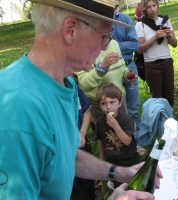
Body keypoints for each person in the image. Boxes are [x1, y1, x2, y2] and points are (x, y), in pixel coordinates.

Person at [0, 0, 162, 199]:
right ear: (71, 30)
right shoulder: (18, 107)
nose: (106, 44)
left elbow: (66, 155)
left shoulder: (65, 81)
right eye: (105, 36)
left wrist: (120, 172)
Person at [77, 39, 135, 133]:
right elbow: (84, 85)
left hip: (119, 99)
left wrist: (126, 74)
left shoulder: (113, 43)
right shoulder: (82, 48)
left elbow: (122, 66)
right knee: (108, 138)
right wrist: (102, 67)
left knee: (125, 131)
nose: (110, 32)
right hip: (101, 103)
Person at [95, 83, 140, 188]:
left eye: (112, 102)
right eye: (103, 103)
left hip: (129, 161)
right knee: (119, 188)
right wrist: (102, 159)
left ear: (120, 103)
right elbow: (100, 140)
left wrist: (115, 126)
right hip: (113, 162)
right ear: (99, 106)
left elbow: (127, 141)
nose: (108, 107)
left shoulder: (125, 119)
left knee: (134, 186)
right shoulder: (99, 122)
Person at [135, 0, 177, 107]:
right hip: (152, 65)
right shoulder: (141, 25)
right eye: (149, 7)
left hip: (167, 62)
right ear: (144, 9)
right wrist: (155, 37)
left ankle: (169, 120)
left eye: (154, 5)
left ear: (157, 6)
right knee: (157, 99)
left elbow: (175, 44)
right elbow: (140, 49)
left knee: (169, 97)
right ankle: (158, 121)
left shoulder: (165, 21)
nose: (152, 9)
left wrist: (168, 35)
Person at [113, 2, 141, 135]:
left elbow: (135, 44)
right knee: (115, 109)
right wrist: (124, 45)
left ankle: (136, 139)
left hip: (129, 66)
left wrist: (113, 45)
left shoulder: (124, 19)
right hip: (110, 70)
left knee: (132, 107)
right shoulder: (97, 21)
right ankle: (121, 140)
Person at [71, 74, 95, 200]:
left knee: (88, 185)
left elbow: (87, 111)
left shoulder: (72, 87)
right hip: (67, 155)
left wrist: (82, 133)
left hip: (82, 146)